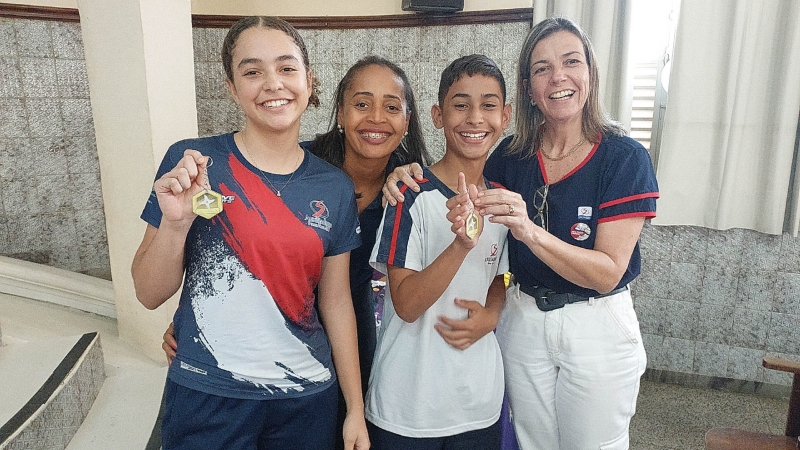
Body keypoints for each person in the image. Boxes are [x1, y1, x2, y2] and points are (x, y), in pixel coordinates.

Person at [384, 17, 659, 450]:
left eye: (571, 62)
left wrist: (529, 231)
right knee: (533, 442)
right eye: (542, 68)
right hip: (524, 317)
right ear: (529, 88)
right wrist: (400, 173)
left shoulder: (623, 157)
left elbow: (607, 273)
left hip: (595, 322)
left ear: (591, 72)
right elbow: (468, 195)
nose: (558, 77)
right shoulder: (510, 159)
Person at [159, 55, 432, 449]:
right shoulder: (296, 166)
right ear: (340, 113)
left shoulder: (410, 186)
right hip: (268, 325)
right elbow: (239, 246)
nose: (376, 118)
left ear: (407, 120)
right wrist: (192, 322)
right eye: (361, 103)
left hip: (349, 321)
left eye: (391, 107)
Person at [131, 16, 369, 450]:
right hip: (208, 392)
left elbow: (335, 302)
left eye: (287, 68)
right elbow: (148, 293)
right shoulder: (194, 163)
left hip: (306, 399)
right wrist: (176, 223)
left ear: (309, 79)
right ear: (232, 87)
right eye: (253, 71)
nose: (273, 83)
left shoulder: (334, 186)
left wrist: (354, 407)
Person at [367, 54, 512, 450]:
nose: (475, 118)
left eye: (488, 105)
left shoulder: (502, 202)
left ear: (506, 117)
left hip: (478, 403)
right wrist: (460, 245)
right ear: (437, 115)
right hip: (408, 407)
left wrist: (492, 313)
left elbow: (502, 274)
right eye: (460, 105)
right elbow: (407, 304)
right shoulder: (409, 194)